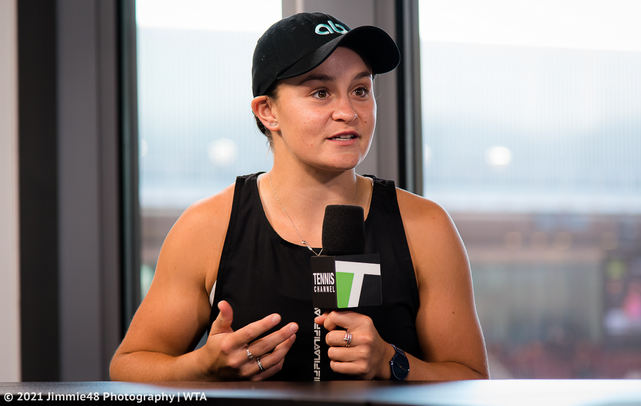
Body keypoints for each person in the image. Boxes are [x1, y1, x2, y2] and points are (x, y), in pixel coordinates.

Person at [110, 12, 488, 382]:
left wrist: (393, 362)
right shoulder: (207, 226)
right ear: (268, 111)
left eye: (360, 90)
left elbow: (470, 377)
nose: (348, 112)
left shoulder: (426, 226)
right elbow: (128, 365)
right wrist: (202, 366)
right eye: (321, 93)